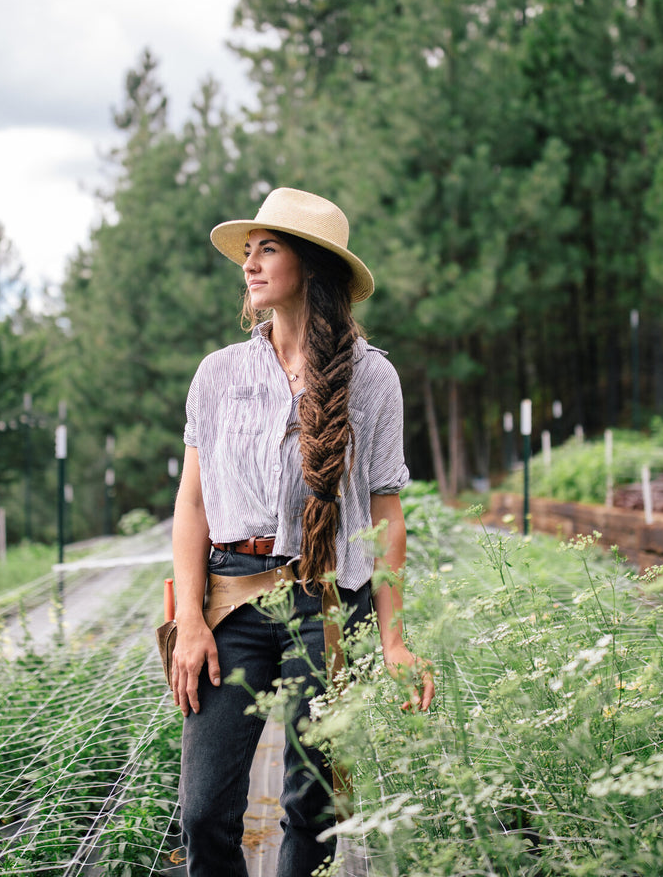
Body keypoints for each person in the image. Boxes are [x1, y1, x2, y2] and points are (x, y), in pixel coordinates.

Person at [169, 187, 435, 877]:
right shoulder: (217, 376)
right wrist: (192, 621)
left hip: (327, 606)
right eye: (248, 252)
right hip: (232, 603)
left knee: (312, 805)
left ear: (312, 267)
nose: (250, 265)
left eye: (269, 249)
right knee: (203, 813)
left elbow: (385, 515)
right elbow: (192, 507)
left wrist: (395, 640)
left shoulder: (372, 378)